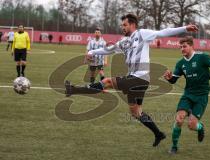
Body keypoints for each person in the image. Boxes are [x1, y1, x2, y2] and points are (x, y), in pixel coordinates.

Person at [65, 14, 198, 147]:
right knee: (136, 112)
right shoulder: (124, 42)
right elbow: (108, 50)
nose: (122, 27)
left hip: (139, 78)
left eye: (125, 25)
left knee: (107, 82)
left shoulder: (142, 34)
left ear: (133, 25)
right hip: (137, 79)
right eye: (122, 25)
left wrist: (185, 28)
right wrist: (92, 53)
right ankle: (158, 134)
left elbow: (163, 32)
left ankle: (73, 89)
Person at [163, 36, 210, 154]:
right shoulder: (181, 63)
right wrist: (169, 78)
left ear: (191, 46)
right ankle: (174, 147)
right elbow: (173, 80)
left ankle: (200, 128)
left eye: (184, 46)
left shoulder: (202, 57)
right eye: (180, 47)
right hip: (188, 95)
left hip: (201, 96)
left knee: (191, 126)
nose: (182, 49)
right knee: (179, 120)